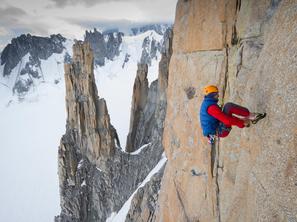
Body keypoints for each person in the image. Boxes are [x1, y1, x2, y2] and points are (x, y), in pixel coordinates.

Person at [199, 85, 266, 144]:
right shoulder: (211, 108)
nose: (218, 95)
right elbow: (227, 121)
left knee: (227, 111)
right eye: (216, 94)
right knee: (229, 107)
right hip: (221, 130)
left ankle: (248, 118)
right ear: (212, 95)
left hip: (216, 128)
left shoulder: (207, 103)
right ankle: (251, 117)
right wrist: (241, 123)